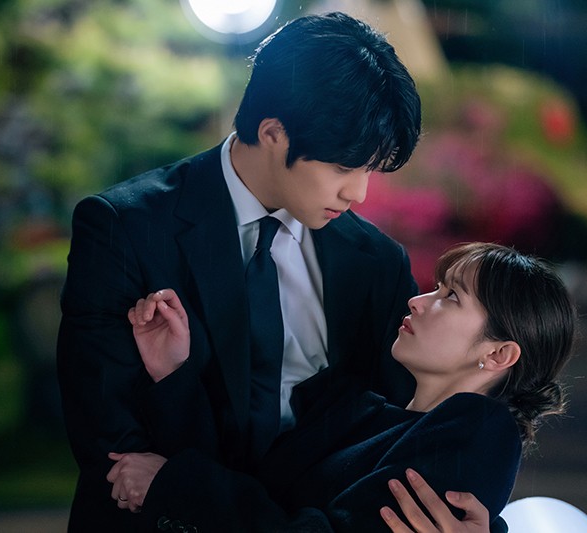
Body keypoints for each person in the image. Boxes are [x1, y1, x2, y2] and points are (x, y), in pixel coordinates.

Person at [57, 11, 444, 532]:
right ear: (274, 133)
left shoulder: (375, 262)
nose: (358, 193)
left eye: (370, 169)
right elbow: (113, 446)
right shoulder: (125, 229)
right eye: (343, 167)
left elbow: (394, 439)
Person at [114, 242, 577, 531]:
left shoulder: (481, 431)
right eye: (436, 287)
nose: (417, 301)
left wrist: (175, 484)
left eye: (451, 296)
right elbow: (254, 489)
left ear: (498, 354)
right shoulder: (367, 411)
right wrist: (172, 373)